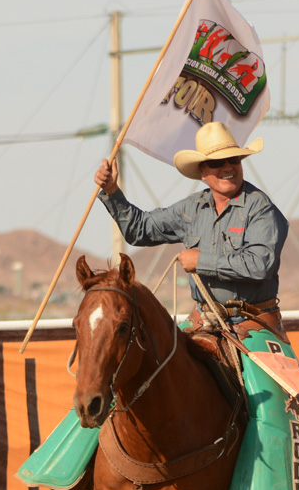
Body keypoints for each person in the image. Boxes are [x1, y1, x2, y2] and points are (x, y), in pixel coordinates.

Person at [94, 121, 288, 333]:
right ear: (203, 171)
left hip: (254, 323)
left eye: (233, 159)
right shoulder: (191, 208)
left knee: (262, 360)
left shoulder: (260, 209)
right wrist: (112, 191)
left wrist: (200, 261)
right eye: (216, 162)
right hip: (203, 319)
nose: (227, 167)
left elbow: (259, 265)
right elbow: (139, 230)